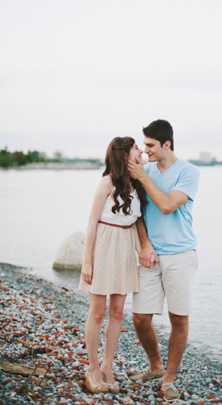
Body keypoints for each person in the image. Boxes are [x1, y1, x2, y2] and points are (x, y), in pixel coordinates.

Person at [126, 119, 200, 403]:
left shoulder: (189, 172)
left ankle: (169, 378)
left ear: (166, 144)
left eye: (150, 145)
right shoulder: (143, 170)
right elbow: (138, 214)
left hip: (181, 254)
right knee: (140, 318)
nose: (145, 151)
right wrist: (144, 244)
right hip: (150, 255)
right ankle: (155, 366)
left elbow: (168, 206)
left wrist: (143, 179)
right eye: (143, 145)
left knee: (178, 318)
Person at [79, 137, 148, 394]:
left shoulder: (138, 183)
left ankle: (108, 366)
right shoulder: (107, 182)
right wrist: (87, 261)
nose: (140, 151)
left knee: (117, 312)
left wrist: (143, 248)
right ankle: (93, 367)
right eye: (136, 148)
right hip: (104, 244)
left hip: (125, 245)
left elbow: (138, 219)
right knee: (97, 312)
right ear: (124, 154)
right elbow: (92, 222)